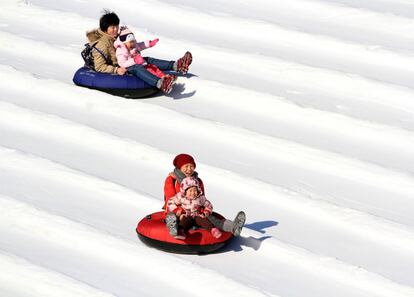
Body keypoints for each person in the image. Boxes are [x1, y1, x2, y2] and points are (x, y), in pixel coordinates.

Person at [164, 153, 246, 237]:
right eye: (186, 166)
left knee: (212, 218)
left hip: (196, 213)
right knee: (181, 219)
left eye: (191, 166)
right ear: (179, 167)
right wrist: (179, 211)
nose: (189, 169)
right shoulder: (172, 180)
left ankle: (233, 227)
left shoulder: (198, 181)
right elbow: (169, 200)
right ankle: (174, 227)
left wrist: (204, 212)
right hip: (179, 212)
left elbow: (201, 199)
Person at [114, 26, 177, 94]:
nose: (133, 44)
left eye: (133, 41)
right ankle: (161, 84)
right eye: (130, 42)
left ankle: (165, 78)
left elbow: (141, 45)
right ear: (124, 42)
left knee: (152, 68)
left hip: (139, 63)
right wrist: (134, 60)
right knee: (142, 69)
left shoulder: (133, 46)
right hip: (129, 69)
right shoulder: (120, 50)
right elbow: (122, 64)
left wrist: (149, 43)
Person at [86, 10, 126, 75]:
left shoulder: (116, 38)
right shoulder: (101, 44)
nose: (116, 29)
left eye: (116, 26)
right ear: (105, 29)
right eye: (112, 27)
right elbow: (99, 67)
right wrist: (116, 70)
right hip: (113, 70)